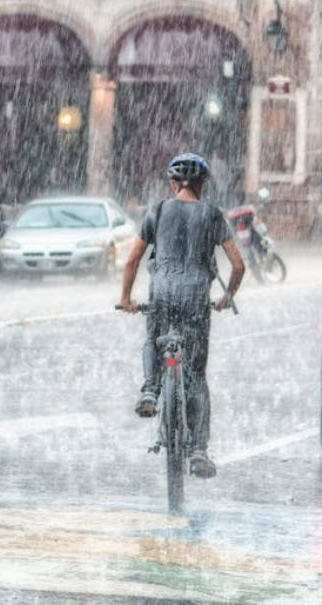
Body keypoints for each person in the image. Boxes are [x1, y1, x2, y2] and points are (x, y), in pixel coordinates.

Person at [118, 153, 246, 479]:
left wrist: (125, 298)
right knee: (196, 377)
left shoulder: (158, 211)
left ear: (173, 183)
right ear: (202, 185)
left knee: (153, 336)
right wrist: (226, 297)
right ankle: (199, 450)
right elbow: (238, 265)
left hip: (161, 293)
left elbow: (132, 261)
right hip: (195, 298)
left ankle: (150, 389)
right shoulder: (213, 214)